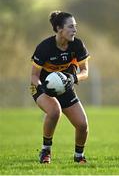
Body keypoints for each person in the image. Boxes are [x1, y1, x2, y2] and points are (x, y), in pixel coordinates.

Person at [30, 11, 90, 164]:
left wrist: (73, 78)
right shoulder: (44, 47)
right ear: (59, 29)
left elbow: (85, 72)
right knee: (55, 110)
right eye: (70, 27)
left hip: (65, 86)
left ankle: (78, 157)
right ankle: (45, 151)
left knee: (82, 125)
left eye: (75, 26)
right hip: (41, 87)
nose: (75, 30)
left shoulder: (77, 44)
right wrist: (43, 89)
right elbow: (34, 77)